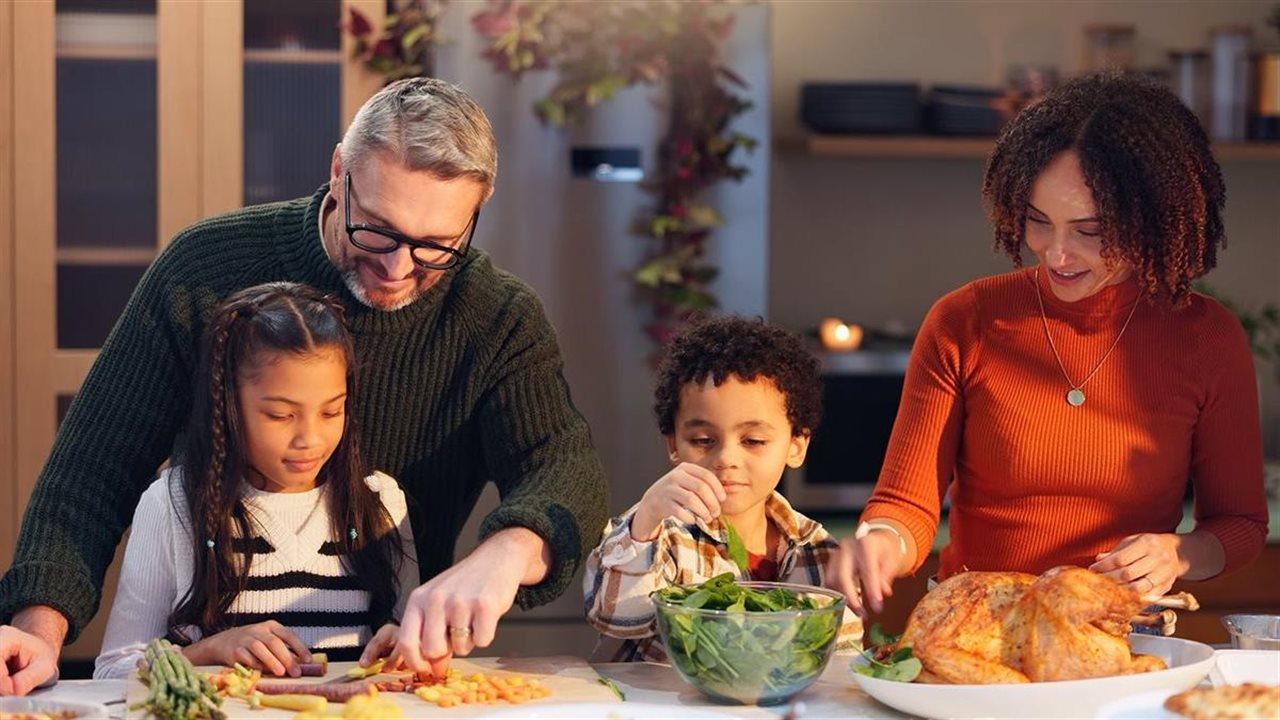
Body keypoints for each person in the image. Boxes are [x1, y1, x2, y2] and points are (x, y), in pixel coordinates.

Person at [0, 77, 607, 695]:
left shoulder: (498, 318)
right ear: (340, 171)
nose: (397, 270)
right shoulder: (204, 269)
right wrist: (36, 633)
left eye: (435, 247)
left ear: (477, 211)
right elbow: (92, 470)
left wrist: (507, 552)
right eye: (376, 229)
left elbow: (563, 469)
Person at [825, 72, 1270, 618]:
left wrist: (1177, 553)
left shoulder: (1207, 338)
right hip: (973, 628)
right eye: (1039, 223)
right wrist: (879, 541)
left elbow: (1240, 525)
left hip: (1115, 637)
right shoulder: (963, 321)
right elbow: (907, 505)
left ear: (1153, 219)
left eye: (1091, 231)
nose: (1057, 253)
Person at [94, 282, 418, 679]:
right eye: (281, 416)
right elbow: (114, 670)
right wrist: (209, 651)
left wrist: (404, 644)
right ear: (228, 405)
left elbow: (413, 649)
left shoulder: (379, 501)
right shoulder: (174, 504)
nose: (310, 440)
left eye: (332, 412)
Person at [584, 316, 862, 661]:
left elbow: (841, 661)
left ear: (796, 445)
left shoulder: (819, 551)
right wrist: (647, 518)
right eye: (703, 440)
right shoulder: (658, 533)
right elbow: (613, 617)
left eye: (754, 440)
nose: (726, 458)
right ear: (674, 444)